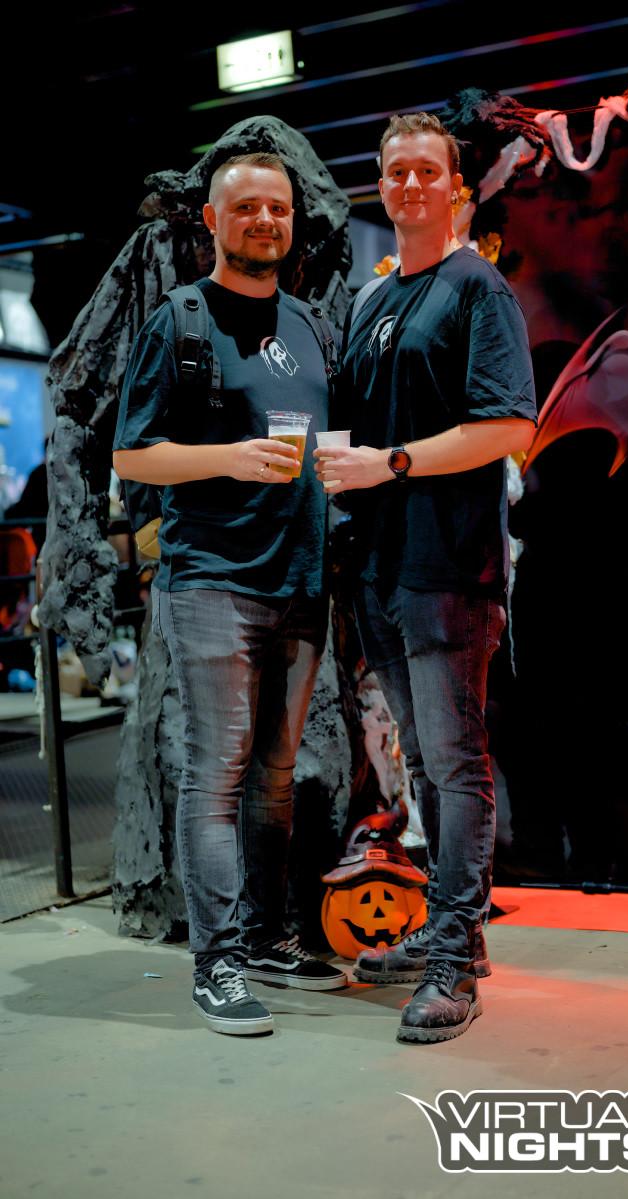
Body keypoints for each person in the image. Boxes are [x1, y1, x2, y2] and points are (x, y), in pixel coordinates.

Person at [314, 113, 537, 1044]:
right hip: (379, 568)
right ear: (381, 183)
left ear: (456, 188)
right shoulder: (373, 299)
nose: (410, 184)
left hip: (448, 566)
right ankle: (455, 935)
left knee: (454, 760)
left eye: (426, 171)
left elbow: (510, 426)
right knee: (423, 757)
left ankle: (453, 954)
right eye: (396, 171)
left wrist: (389, 464)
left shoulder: (477, 287)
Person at [113, 152, 347, 1037]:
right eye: (244, 207)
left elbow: (331, 438)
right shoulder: (180, 320)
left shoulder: (312, 324)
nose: (264, 220)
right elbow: (131, 455)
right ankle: (216, 963)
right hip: (213, 578)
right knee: (215, 772)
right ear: (212, 220)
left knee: (276, 777)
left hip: (302, 580)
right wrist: (227, 458)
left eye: (276, 207)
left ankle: (265, 936)